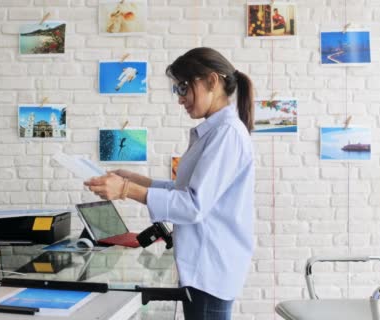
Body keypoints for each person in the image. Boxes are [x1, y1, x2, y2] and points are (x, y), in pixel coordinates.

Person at [84, 47, 255, 320]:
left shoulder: (227, 134)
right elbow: (188, 192)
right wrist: (140, 181)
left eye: (183, 88)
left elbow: (193, 206)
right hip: (204, 266)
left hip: (209, 269)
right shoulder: (217, 132)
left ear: (211, 81)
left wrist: (127, 190)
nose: (180, 99)